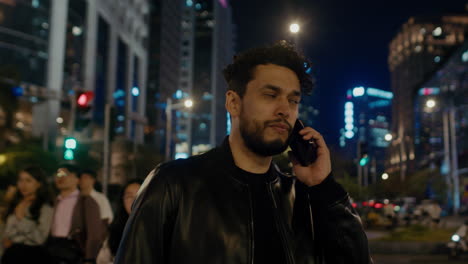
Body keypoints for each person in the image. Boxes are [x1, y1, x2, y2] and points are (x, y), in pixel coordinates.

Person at [115, 42, 372, 263]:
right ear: (233, 103)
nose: (285, 109)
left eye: (293, 101)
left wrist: (323, 187)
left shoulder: (302, 196)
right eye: (270, 95)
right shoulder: (173, 183)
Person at [47, 164, 105, 264]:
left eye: (65, 174)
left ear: (77, 179)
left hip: (74, 250)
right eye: (58, 174)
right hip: (53, 249)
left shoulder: (86, 201)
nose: (60, 177)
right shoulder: (54, 201)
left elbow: (94, 234)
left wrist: (90, 258)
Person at [1, 166, 53, 263]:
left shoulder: (45, 207)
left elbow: (40, 238)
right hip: (10, 255)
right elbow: (6, 231)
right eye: (20, 180)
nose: (23, 185)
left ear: (39, 184)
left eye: (28, 181)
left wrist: (22, 219)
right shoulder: (16, 204)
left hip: (31, 256)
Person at [96, 179, 142, 264]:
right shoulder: (116, 229)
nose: (134, 201)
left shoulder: (159, 229)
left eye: (140, 195)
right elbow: (102, 260)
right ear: (122, 201)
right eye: (129, 196)